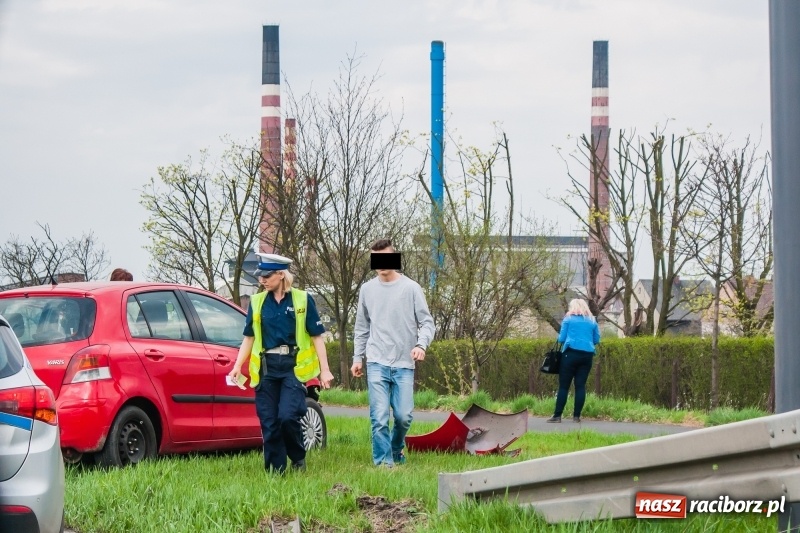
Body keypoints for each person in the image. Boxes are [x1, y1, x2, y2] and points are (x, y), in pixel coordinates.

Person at [229, 253, 334, 473]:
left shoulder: (303, 299)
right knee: (269, 420)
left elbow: (317, 337)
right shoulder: (257, 302)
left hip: (292, 367)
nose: (262, 280)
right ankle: (275, 471)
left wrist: (325, 370)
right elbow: (249, 337)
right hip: (267, 367)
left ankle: (297, 457)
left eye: (267, 276)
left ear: (281, 275)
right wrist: (237, 366)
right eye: (260, 276)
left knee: (287, 416)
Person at [351, 239, 435, 467]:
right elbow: (361, 327)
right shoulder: (367, 290)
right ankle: (384, 464)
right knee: (379, 417)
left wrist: (421, 345)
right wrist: (357, 358)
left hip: (404, 363)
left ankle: (396, 448)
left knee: (403, 416)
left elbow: (427, 323)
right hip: (376, 361)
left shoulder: (411, 288)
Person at [548, 298, 601, 424]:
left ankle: (557, 416)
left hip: (570, 354)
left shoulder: (568, 319)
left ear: (572, 307)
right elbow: (596, 339)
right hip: (587, 356)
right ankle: (576, 416)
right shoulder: (592, 320)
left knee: (564, 386)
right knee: (580, 386)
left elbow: (561, 339)